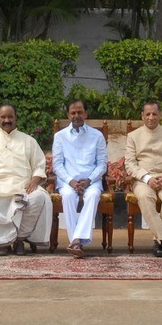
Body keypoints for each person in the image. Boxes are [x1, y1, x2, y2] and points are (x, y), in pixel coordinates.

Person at [0, 103, 53, 255]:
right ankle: (2, 242)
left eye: (10, 117)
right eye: (3, 117)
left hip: (23, 185)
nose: (7, 120)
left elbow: (39, 165)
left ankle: (19, 239)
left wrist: (34, 181)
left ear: (16, 118)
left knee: (40, 197)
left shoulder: (28, 141)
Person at [123, 100, 162, 259]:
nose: (151, 117)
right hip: (144, 180)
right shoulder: (133, 136)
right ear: (142, 116)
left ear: (160, 115)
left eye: (154, 114)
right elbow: (130, 163)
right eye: (147, 114)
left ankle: (158, 241)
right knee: (144, 196)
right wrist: (147, 178)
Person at [52, 99, 108, 259]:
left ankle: (75, 240)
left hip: (91, 181)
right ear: (68, 115)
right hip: (68, 181)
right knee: (68, 196)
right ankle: (76, 242)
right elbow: (57, 165)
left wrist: (89, 180)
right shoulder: (60, 136)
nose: (76, 116)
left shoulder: (97, 136)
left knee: (92, 195)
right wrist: (71, 181)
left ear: (86, 114)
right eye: (73, 113)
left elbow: (102, 164)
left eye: (80, 112)